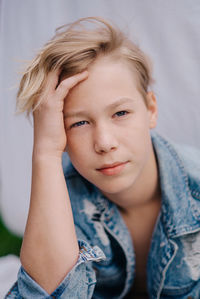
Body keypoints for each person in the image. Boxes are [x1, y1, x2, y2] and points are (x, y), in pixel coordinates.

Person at [6, 17, 200, 299]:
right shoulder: (58, 200)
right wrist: (46, 153)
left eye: (120, 113)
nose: (105, 143)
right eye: (79, 123)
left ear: (151, 110)